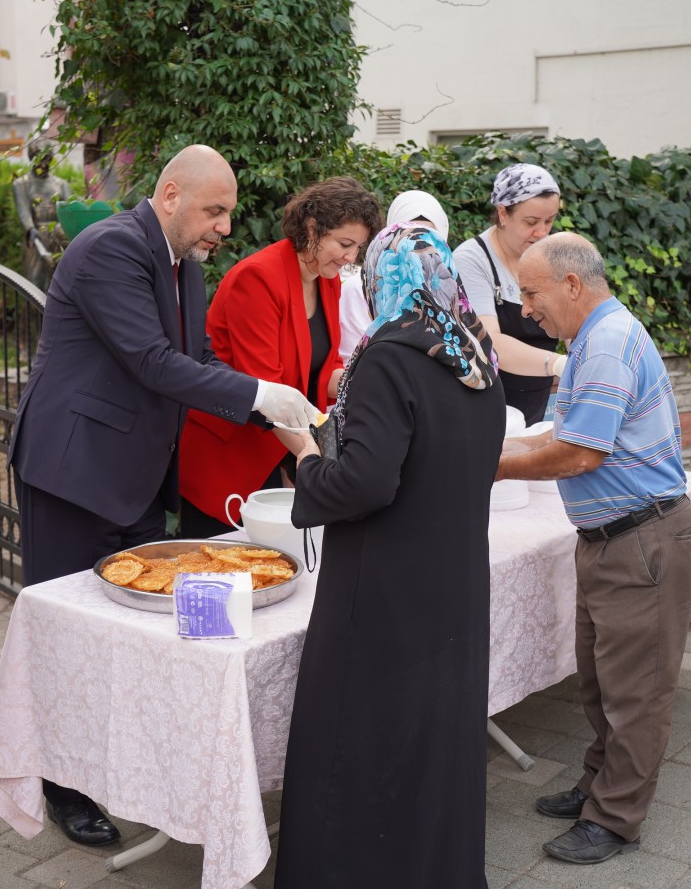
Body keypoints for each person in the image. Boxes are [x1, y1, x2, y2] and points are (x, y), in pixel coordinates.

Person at [7, 144, 319, 846]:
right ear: (172, 195)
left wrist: (272, 411)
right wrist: (260, 391)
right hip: (75, 471)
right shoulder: (110, 248)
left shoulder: (188, 267)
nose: (224, 227)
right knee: (71, 636)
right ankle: (63, 787)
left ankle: (125, 772)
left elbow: (198, 360)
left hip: (137, 475)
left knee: (135, 638)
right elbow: (152, 362)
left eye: (230, 213)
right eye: (215, 210)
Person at [275, 222, 503, 888]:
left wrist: (307, 457)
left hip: (384, 595)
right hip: (455, 581)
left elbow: (366, 483)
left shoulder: (389, 356)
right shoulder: (474, 351)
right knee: (435, 750)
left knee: (359, 745)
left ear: (383, 282)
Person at [497, 232, 691, 865]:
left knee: (634, 689)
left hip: (640, 538)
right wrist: (499, 452)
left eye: (532, 293)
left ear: (572, 284)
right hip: (618, 539)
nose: (527, 309)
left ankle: (616, 817)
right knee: (602, 679)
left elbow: (581, 453)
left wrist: (492, 469)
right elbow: (570, 430)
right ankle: (599, 785)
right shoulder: (593, 338)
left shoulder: (607, 343)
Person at [178, 176, 381, 537]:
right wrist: (321, 459)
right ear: (313, 228)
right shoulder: (257, 278)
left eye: (358, 248)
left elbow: (326, 366)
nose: (352, 258)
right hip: (229, 456)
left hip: (281, 449)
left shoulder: (327, 279)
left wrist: (370, 381)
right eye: (345, 244)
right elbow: (267, 388)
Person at [454, 163, 568, 425]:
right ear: (503, 213)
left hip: (537, 401)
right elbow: (490, 341)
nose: (541, 232)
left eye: (549, 221)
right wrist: (560, 364)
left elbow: (574, 325)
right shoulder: (471, 259)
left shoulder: (551, 255)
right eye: (531, 222)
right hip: (485, 405)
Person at [337, 189, 448, 360]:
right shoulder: (358, 290)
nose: (417, 248)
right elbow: (348, 362)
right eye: (407, 238)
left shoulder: (451, 295)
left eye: (427, 239)